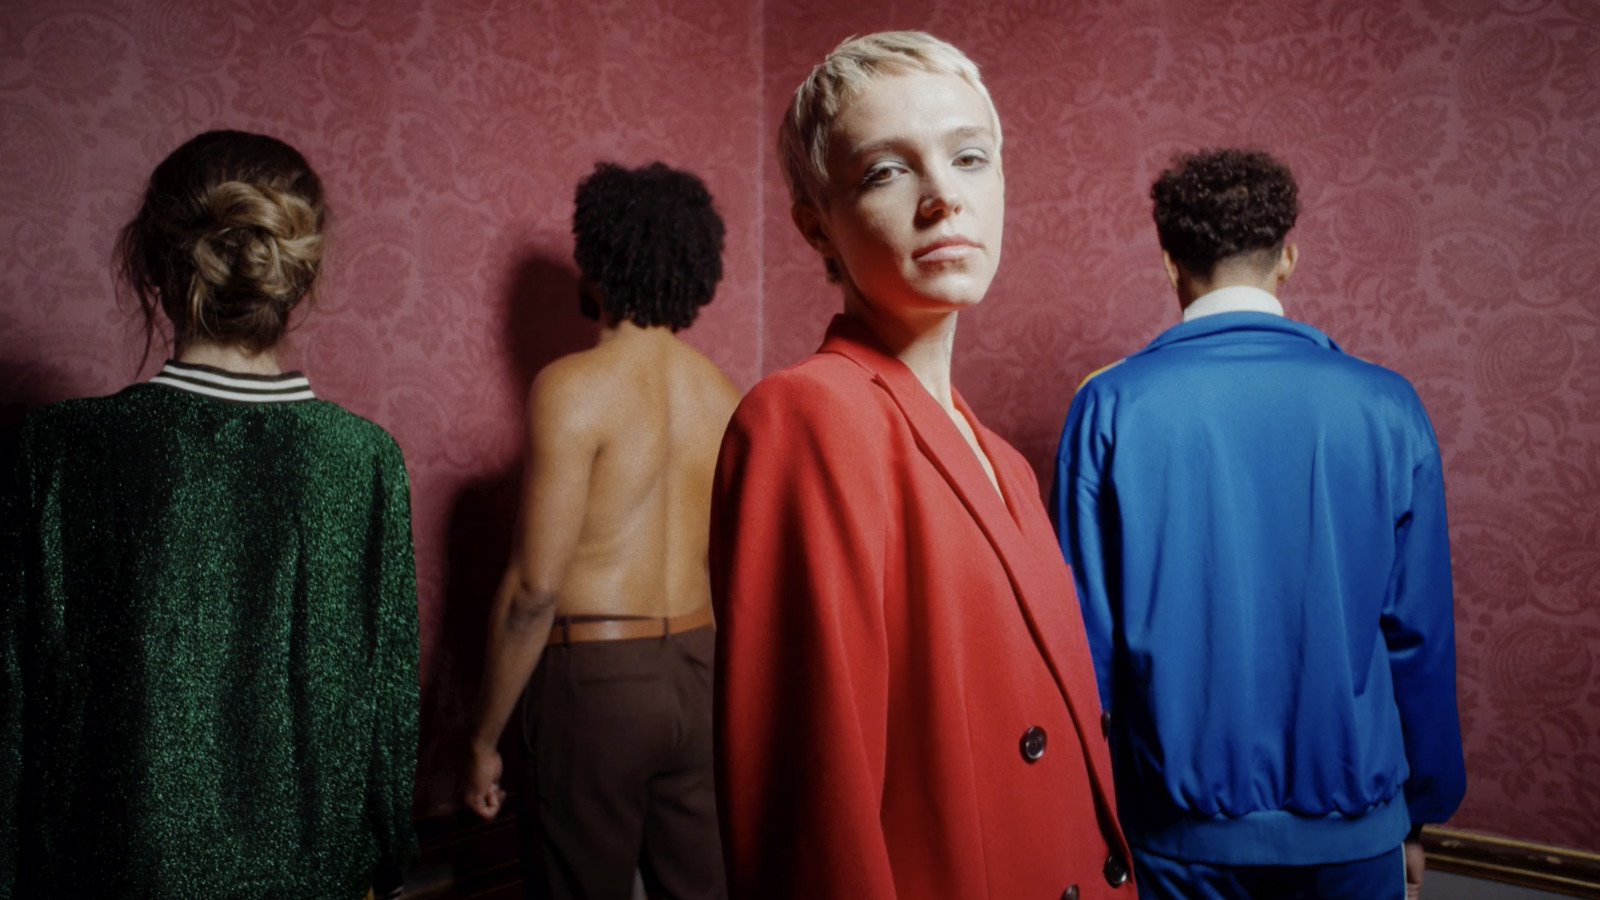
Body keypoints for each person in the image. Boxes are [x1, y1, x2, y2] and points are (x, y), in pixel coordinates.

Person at [710, 31, 1133, 900]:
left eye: (969, 157)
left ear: (1002, 184)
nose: (944, 196)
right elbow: (812, 814)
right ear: (815, 224)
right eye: (885, 172)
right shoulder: (809, 416)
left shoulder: (1006, 463)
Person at [0, 130, 418, 900]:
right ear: (297, 275)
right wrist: (384, 863)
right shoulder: (362, 460)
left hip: (108, 872)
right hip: (310, 873)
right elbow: (386, 716)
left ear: (154, 265)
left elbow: (14, 712)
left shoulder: (60, 448)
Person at [1050, 148, 1466, 900]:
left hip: (1174, 836)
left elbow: (1083, 645)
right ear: (1288, 258)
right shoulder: (1386, 404)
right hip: (1356, 829)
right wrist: (1419, 811)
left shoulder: (1108, 406)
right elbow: (1419, 636)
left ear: (1170, 263)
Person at [461, 162, 739, 900]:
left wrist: (483, 741)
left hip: (598, 681)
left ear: (599, 259)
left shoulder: (571, 386)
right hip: (702, 668)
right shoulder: (723, 394)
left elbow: (532, 590)